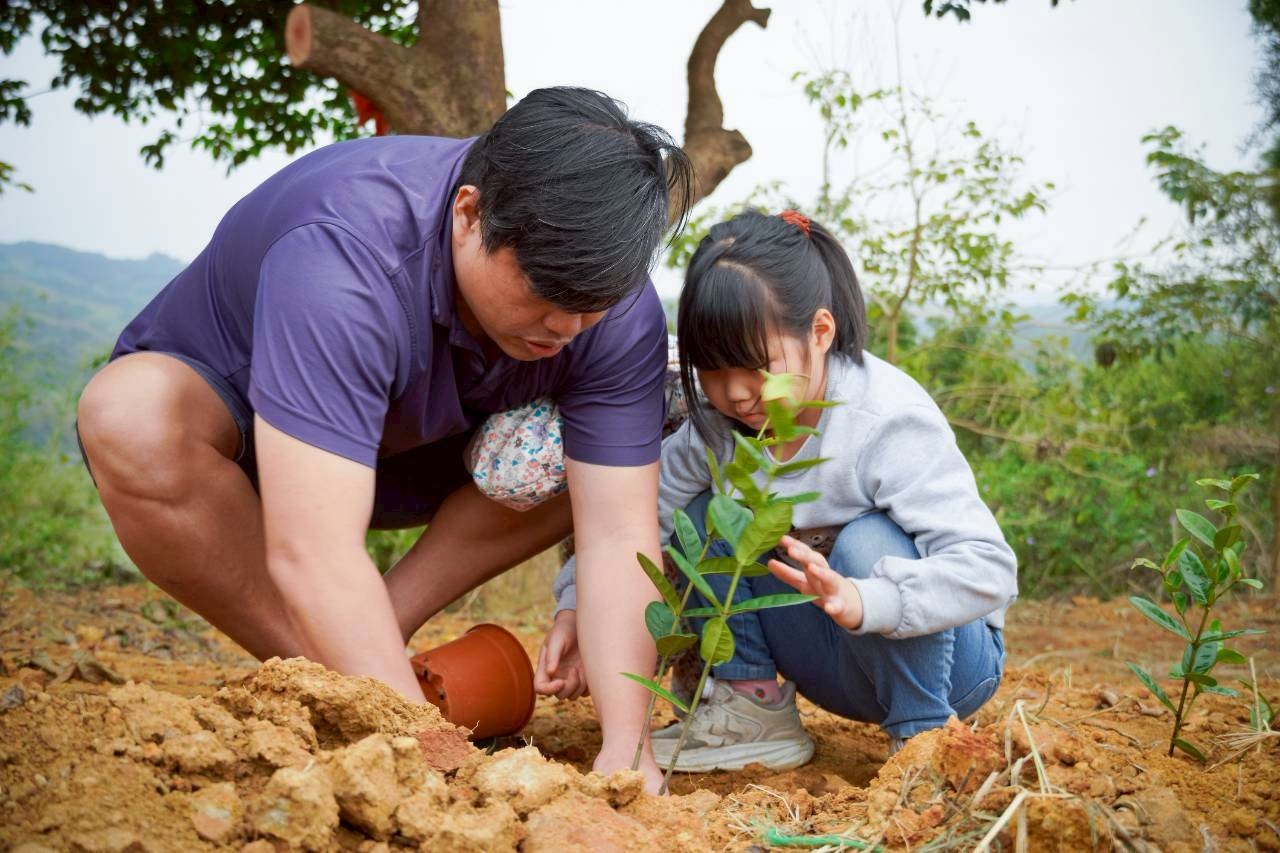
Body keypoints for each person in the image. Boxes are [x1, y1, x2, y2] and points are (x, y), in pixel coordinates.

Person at [75, 87, 692, 790]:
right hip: (259, 451)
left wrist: (627, 745)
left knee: (624, 439)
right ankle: (340, 679)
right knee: (129, 415)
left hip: (421, 459)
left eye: (587, 308)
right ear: (468, 214)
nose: (562, 327)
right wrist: (427, 754)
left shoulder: (611, 312)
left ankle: (366, 652)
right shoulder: (344, 260)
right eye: (542, 294)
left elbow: (617, 531)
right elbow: (314, 547)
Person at [543, 209, 1017, 772]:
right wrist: (575, 607)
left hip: (946, 666)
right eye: (713, 372)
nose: (737, 394)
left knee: (867, 541)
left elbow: (989, 569)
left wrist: (869, 599)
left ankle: (920, 742)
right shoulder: (717, 431)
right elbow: (633, 521)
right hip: (831, 662)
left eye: (756, 366)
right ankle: (753, 708)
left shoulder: (886, 422)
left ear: (820, 332)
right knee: (707, 516)